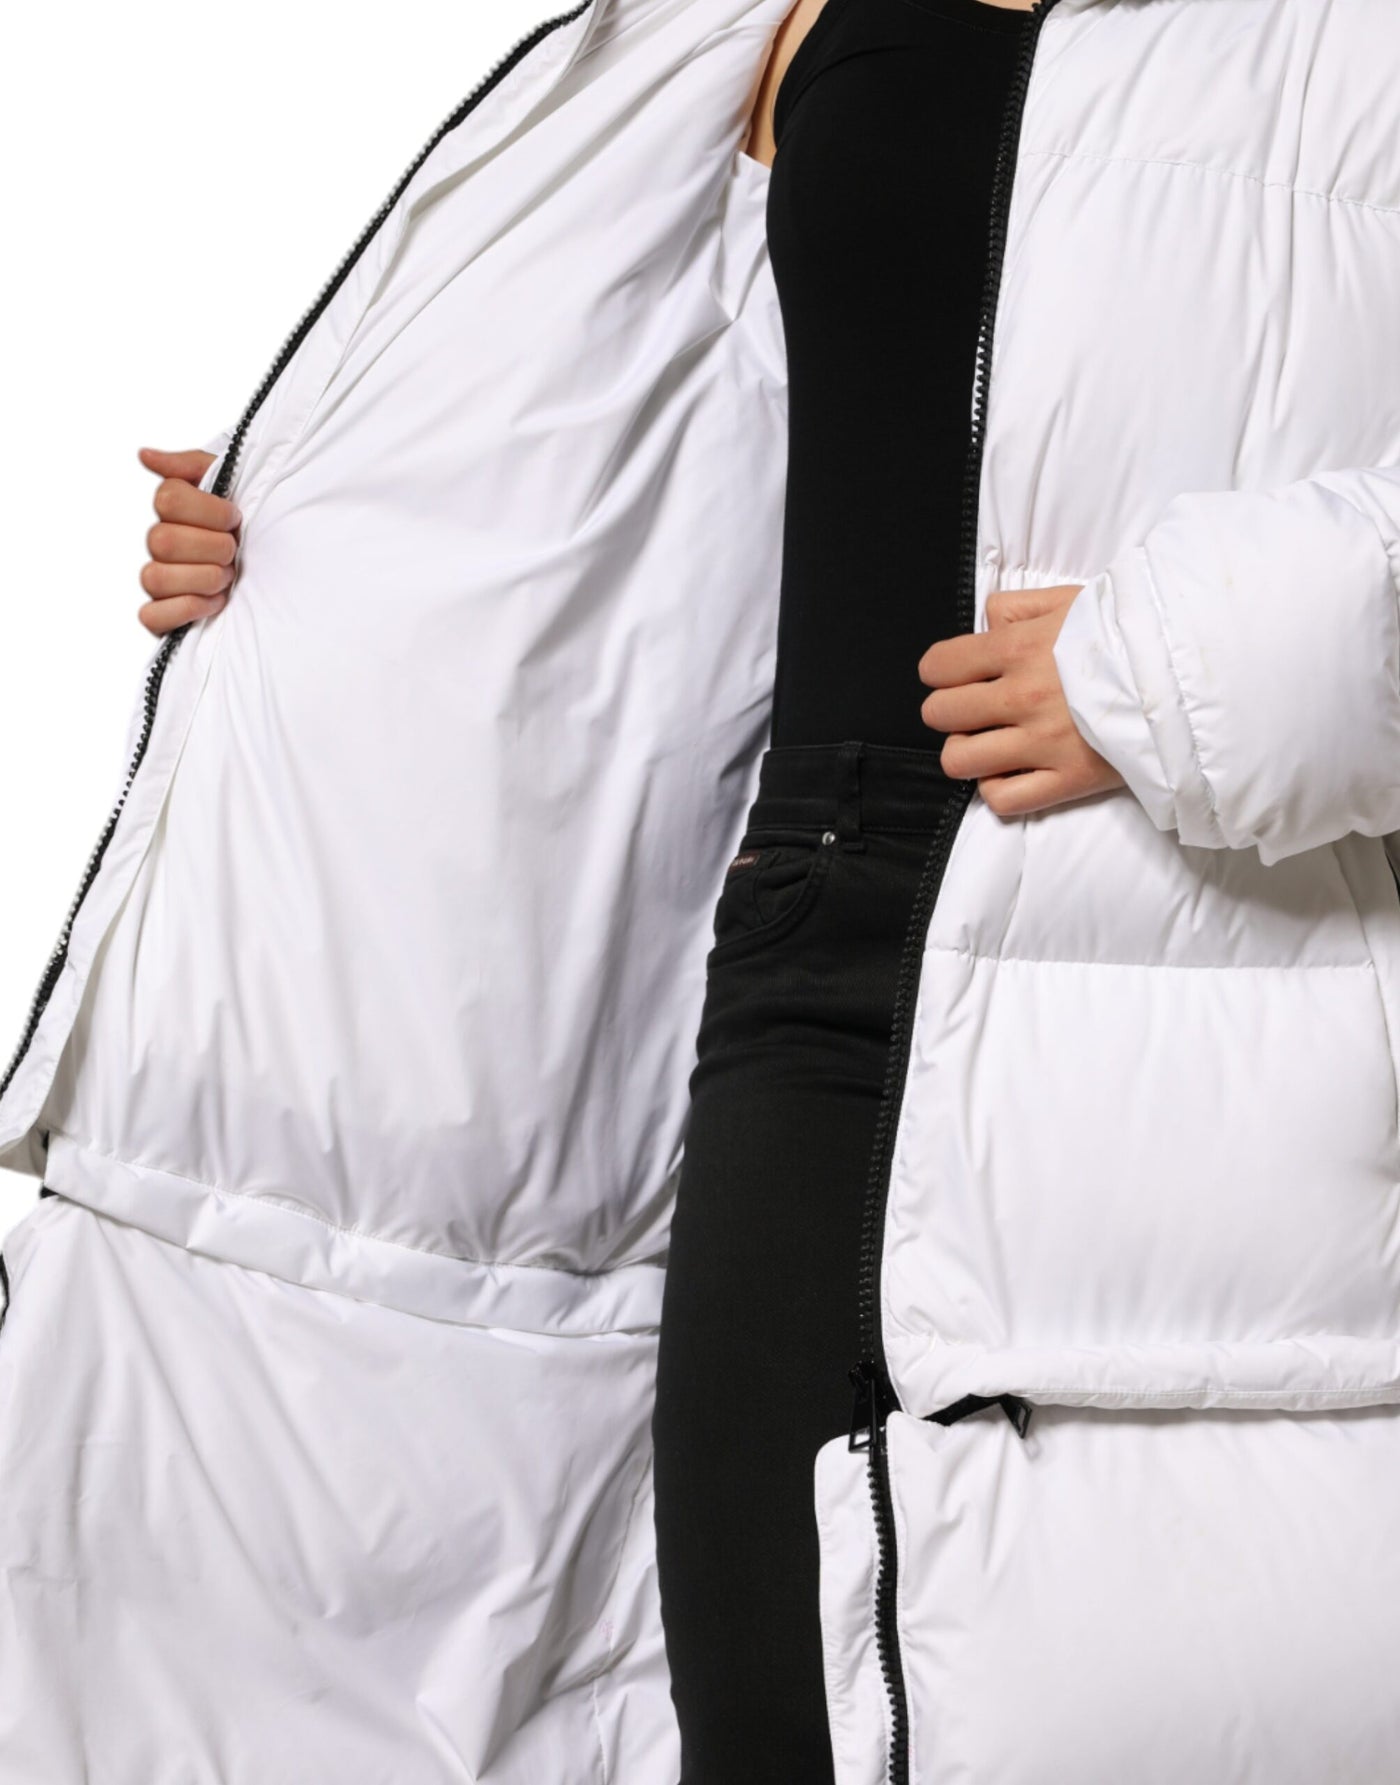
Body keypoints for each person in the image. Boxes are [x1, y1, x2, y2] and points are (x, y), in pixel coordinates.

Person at [4, 1, 1400, 1782]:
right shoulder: (771, 18)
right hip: (806, 939)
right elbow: (673, 434)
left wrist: (1184, 661)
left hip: (1204, 962)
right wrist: (323, 532)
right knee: (761, 1706)